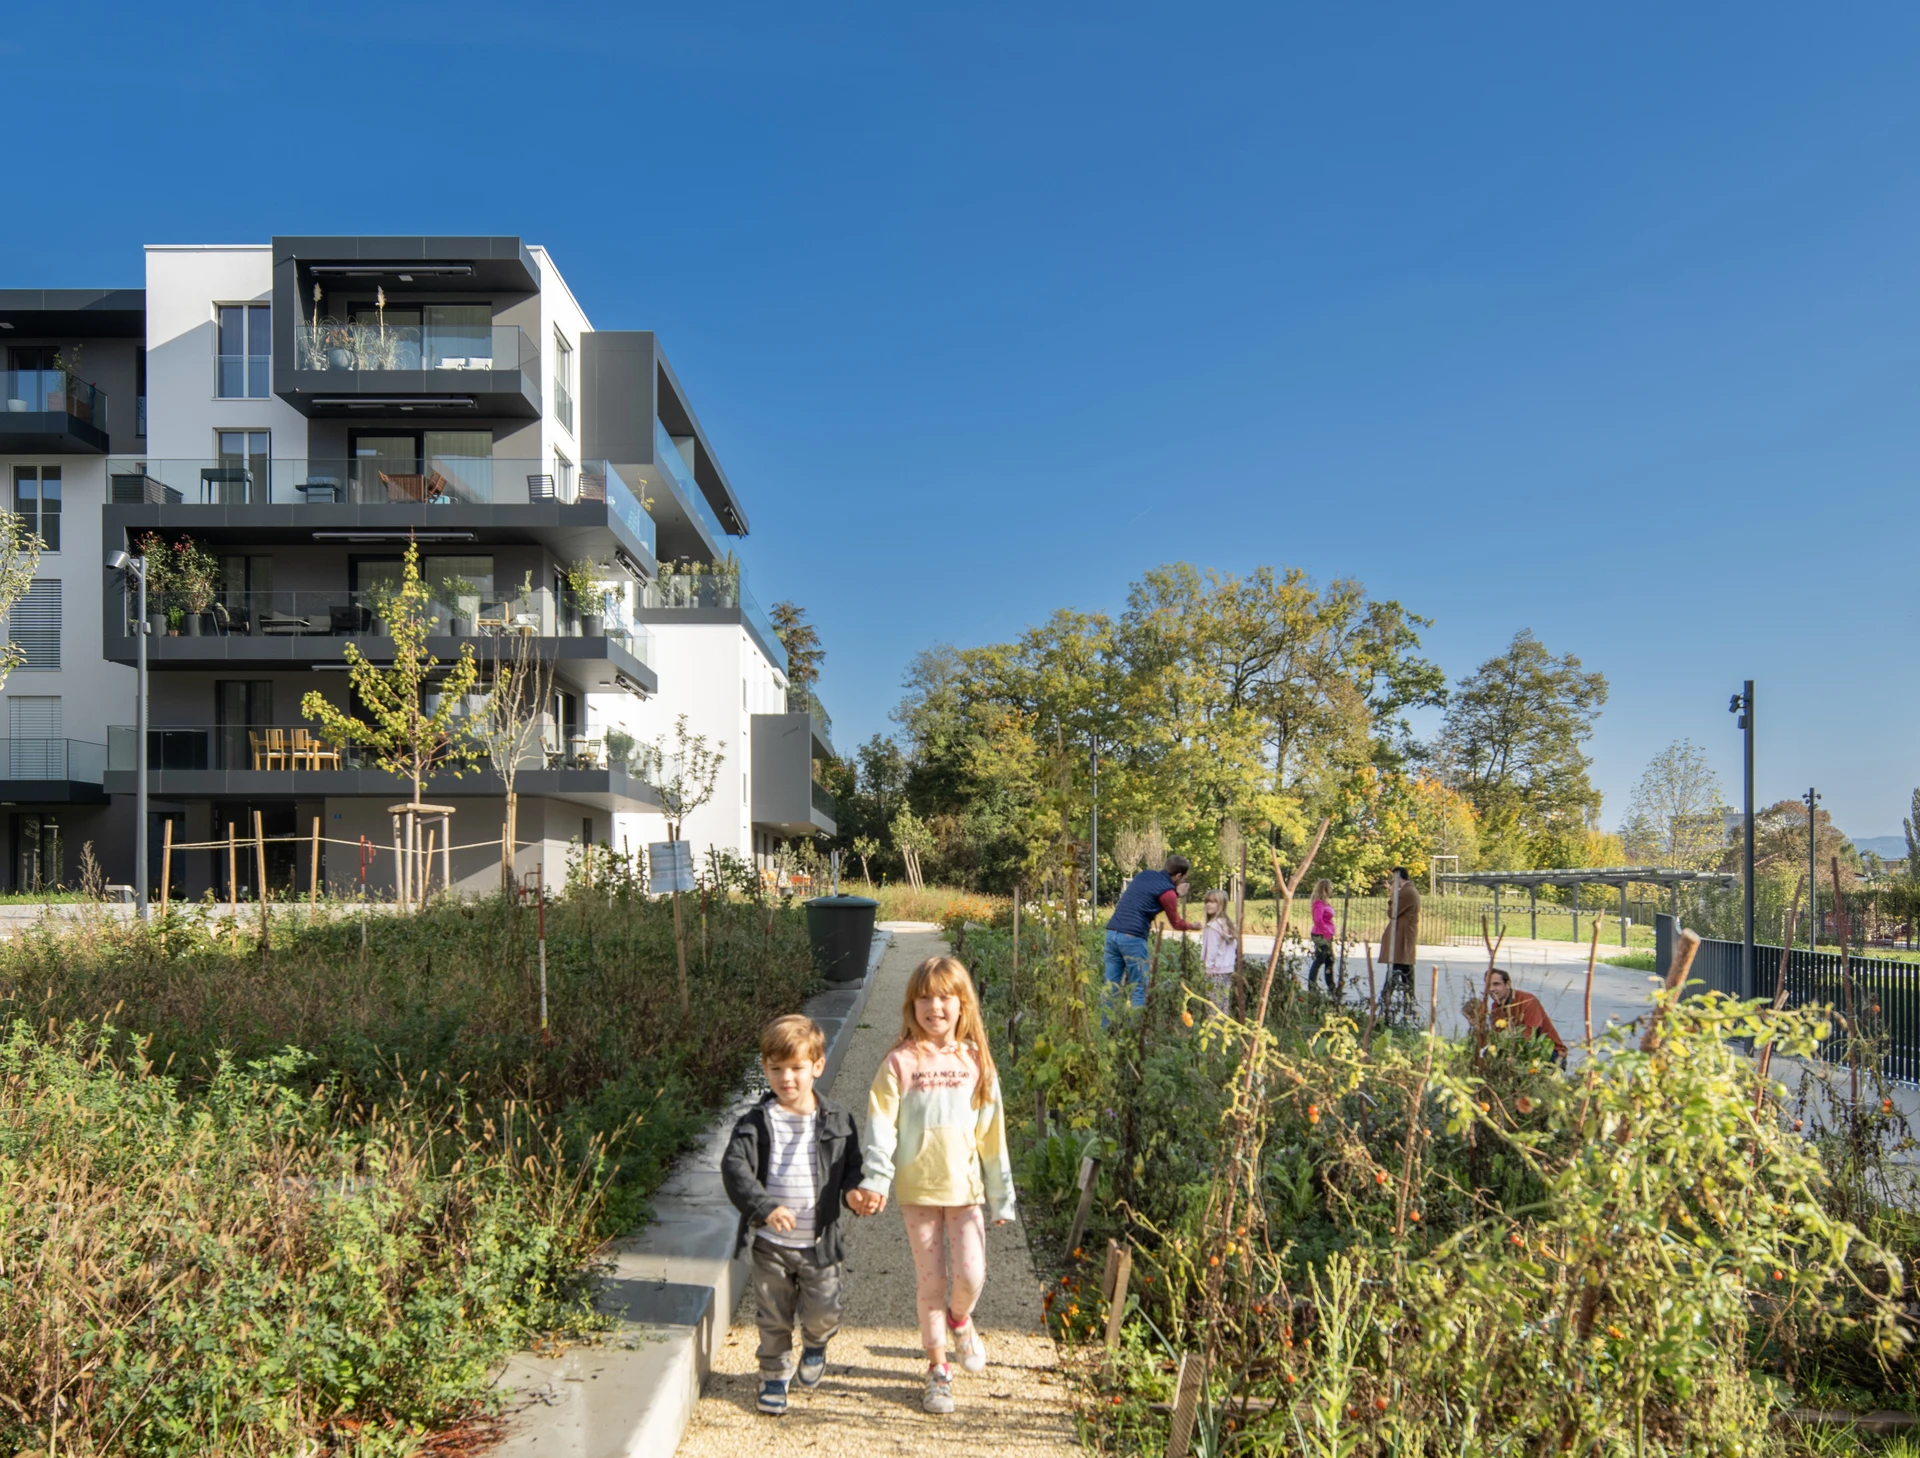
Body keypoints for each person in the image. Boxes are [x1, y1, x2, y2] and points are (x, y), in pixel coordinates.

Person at [857, 956, 1015, 1415]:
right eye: (924, 997)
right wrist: (876, 1178)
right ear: (912, 1005)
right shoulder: (900, 1062)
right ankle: (938, 1368)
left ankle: (960, 1320)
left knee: (971, 1275)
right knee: (932, 1282)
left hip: (965, 1191)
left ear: (962, 1004)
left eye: (945, 996)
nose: (934, 1006)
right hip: (917, 1190)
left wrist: (1001, 1194)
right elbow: (880, 1126)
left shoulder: (976, 1062)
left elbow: (992, 1133)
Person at [721, 1014, 876, 1416]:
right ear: (765, 1069)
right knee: (772, 1316)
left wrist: (854, 1192)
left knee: (824, 1311)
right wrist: (765, 1207)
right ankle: (773, 1375)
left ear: (817, 1067)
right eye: (776, 1069)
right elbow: (734, 1168)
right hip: (771, 1246)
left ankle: (816, 1343)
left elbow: (851, 1166)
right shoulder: (755, 1124)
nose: (786, 1078)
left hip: (819, 1244)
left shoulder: (838, 1120)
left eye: (796, 1068)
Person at [1104, 854, 1199, 1010]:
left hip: (1112, 932)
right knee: (1139, 988)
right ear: (1178, 876)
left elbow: (1146, 896)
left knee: (1110, 987)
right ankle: (1135, 1032)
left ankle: (1105, 1030)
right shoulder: (1168, 892)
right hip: (1132, 937)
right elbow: (1176, 923)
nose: (1183, 882)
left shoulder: (1144, 874)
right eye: (1183, 879)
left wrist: (1174, 893)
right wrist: (1192, 925)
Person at [1483, 967, 1568, 1065]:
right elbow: (1497, 1036)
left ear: (1508, 984)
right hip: (1520, 1051)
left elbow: (1530, 1033)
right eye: (1488, 985)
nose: (1491, 989)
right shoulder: (1495, 1007)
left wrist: (1509, 1053)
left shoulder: (1527, 1000)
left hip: (1550, 1053)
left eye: (1496, 984)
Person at [1378, 867, 1421, 1001]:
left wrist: (1392, 895)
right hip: (1403, 934)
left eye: (1393, 877)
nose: (1391, 881)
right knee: (1405, 966)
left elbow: (1392, 912)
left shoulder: (1406, 892)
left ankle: (1387, 997)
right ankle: (1409, 998)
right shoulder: (1409, 891)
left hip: (1401, 936)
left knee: (1396, 965)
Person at [1200, 888, 1238, 1009]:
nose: (1208, 904)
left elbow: (1212, 950)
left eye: (1213, 902)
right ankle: (1223, 1028)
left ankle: (1214, 1028)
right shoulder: (1228, 924)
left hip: (1215, 972)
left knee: (1213, 1006)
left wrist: (1208, 969)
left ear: (1221, 904)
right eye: (1207, 901)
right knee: (1223, 1004)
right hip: (1227, 970)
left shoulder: (1212, 927)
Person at [1307, 878, 1337, 994]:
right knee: (1320, 959)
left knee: (1330, 960)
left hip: (1327, 934)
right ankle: (1312, 986)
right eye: (1329, 887)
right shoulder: (1318, 903)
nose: (1331, 889)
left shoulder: (1326, 903)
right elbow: (1318, 920)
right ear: (1324, 888)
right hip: (1321, 934)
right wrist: (1326, 932)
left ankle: (1331, 987)